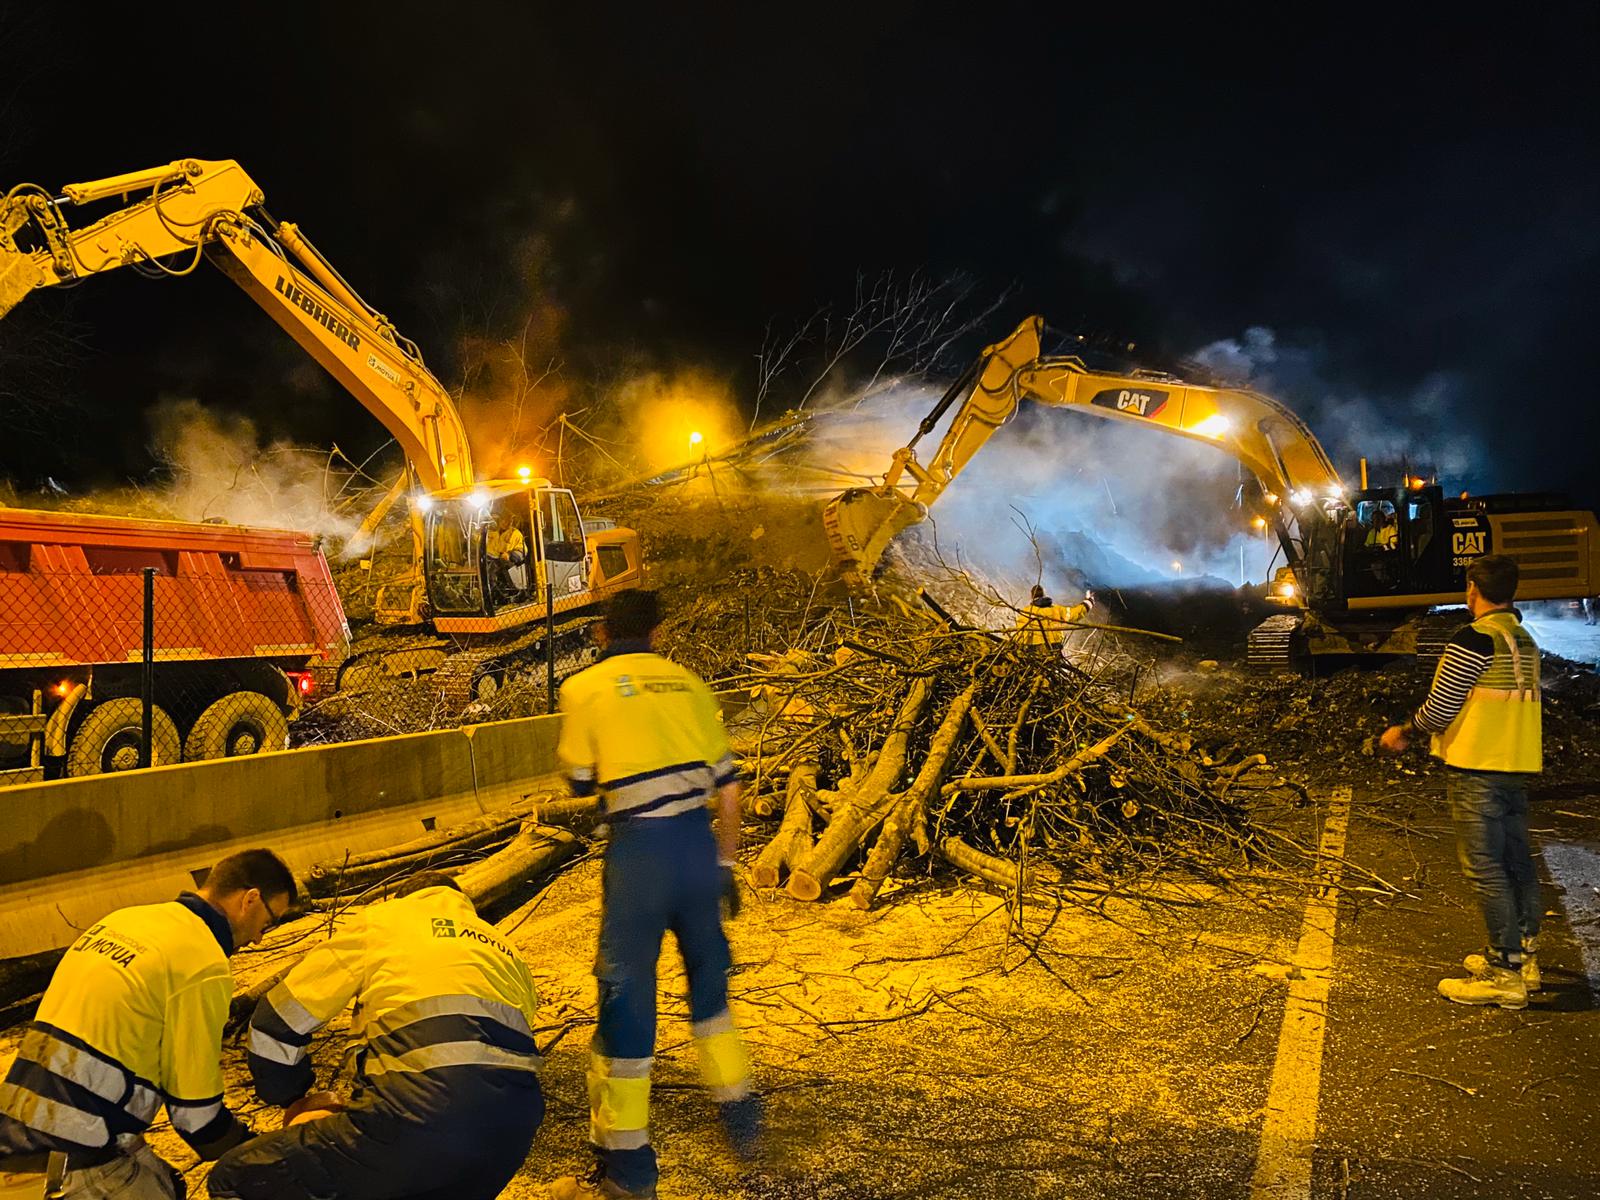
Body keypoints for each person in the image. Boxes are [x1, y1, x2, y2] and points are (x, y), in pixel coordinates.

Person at [548, 589, 756, 1200]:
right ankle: (742, 1122)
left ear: (604, 633)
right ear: (659, 632)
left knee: (627, 1001)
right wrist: (724, 862)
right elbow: (729, 789)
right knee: (711, 992)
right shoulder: (690, 684)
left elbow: (582, 779)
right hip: (696, 846)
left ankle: (628, 1169)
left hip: (638, 852)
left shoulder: (583, 688)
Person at [206, 872, 544, 1200]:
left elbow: (276, 1022)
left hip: (414, 1120)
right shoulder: (505, 948)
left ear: (404, 898)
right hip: (510, 1137)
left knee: (237, 1174)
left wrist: (291, 1096)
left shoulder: (385, 919)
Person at [0, 850, 296, 1199]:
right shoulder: (201, 961)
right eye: (269, 921)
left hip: (15, 1146)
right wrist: (270, 1153)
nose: (261, 938)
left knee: (161, 1177)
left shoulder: (125, 921)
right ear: (250, 900)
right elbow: (197, 1120)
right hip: (79, 1167)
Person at [1379, 554, 1543, 1008]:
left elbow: (1440, 708)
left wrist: (1405, 730)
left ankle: (1503, 972)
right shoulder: (1524, 639)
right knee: (1518, 865)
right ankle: (1525, 958)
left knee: (1486, 869)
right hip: (1516, 766)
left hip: (1477, 768)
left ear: (1473, 589)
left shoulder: (1473, 639)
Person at [1014, 583, 1094, 652]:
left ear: (1032, 596)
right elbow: (1075, 613)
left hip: (1033, 650)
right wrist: (1088, 602)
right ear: (1044, 594)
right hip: (1053, 648)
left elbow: (1020, 634)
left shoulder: (1027, 612)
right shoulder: (1056, 610)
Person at [485, 510, 529, 602]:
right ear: (500, 520)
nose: (508, 523)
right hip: (488, 559)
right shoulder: (490, 532)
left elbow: (522, 550)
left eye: (510, 521)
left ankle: (509, 594)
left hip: (505, 562)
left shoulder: (515, 534)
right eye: (505, 520)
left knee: (494, 569)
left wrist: (510, 555)